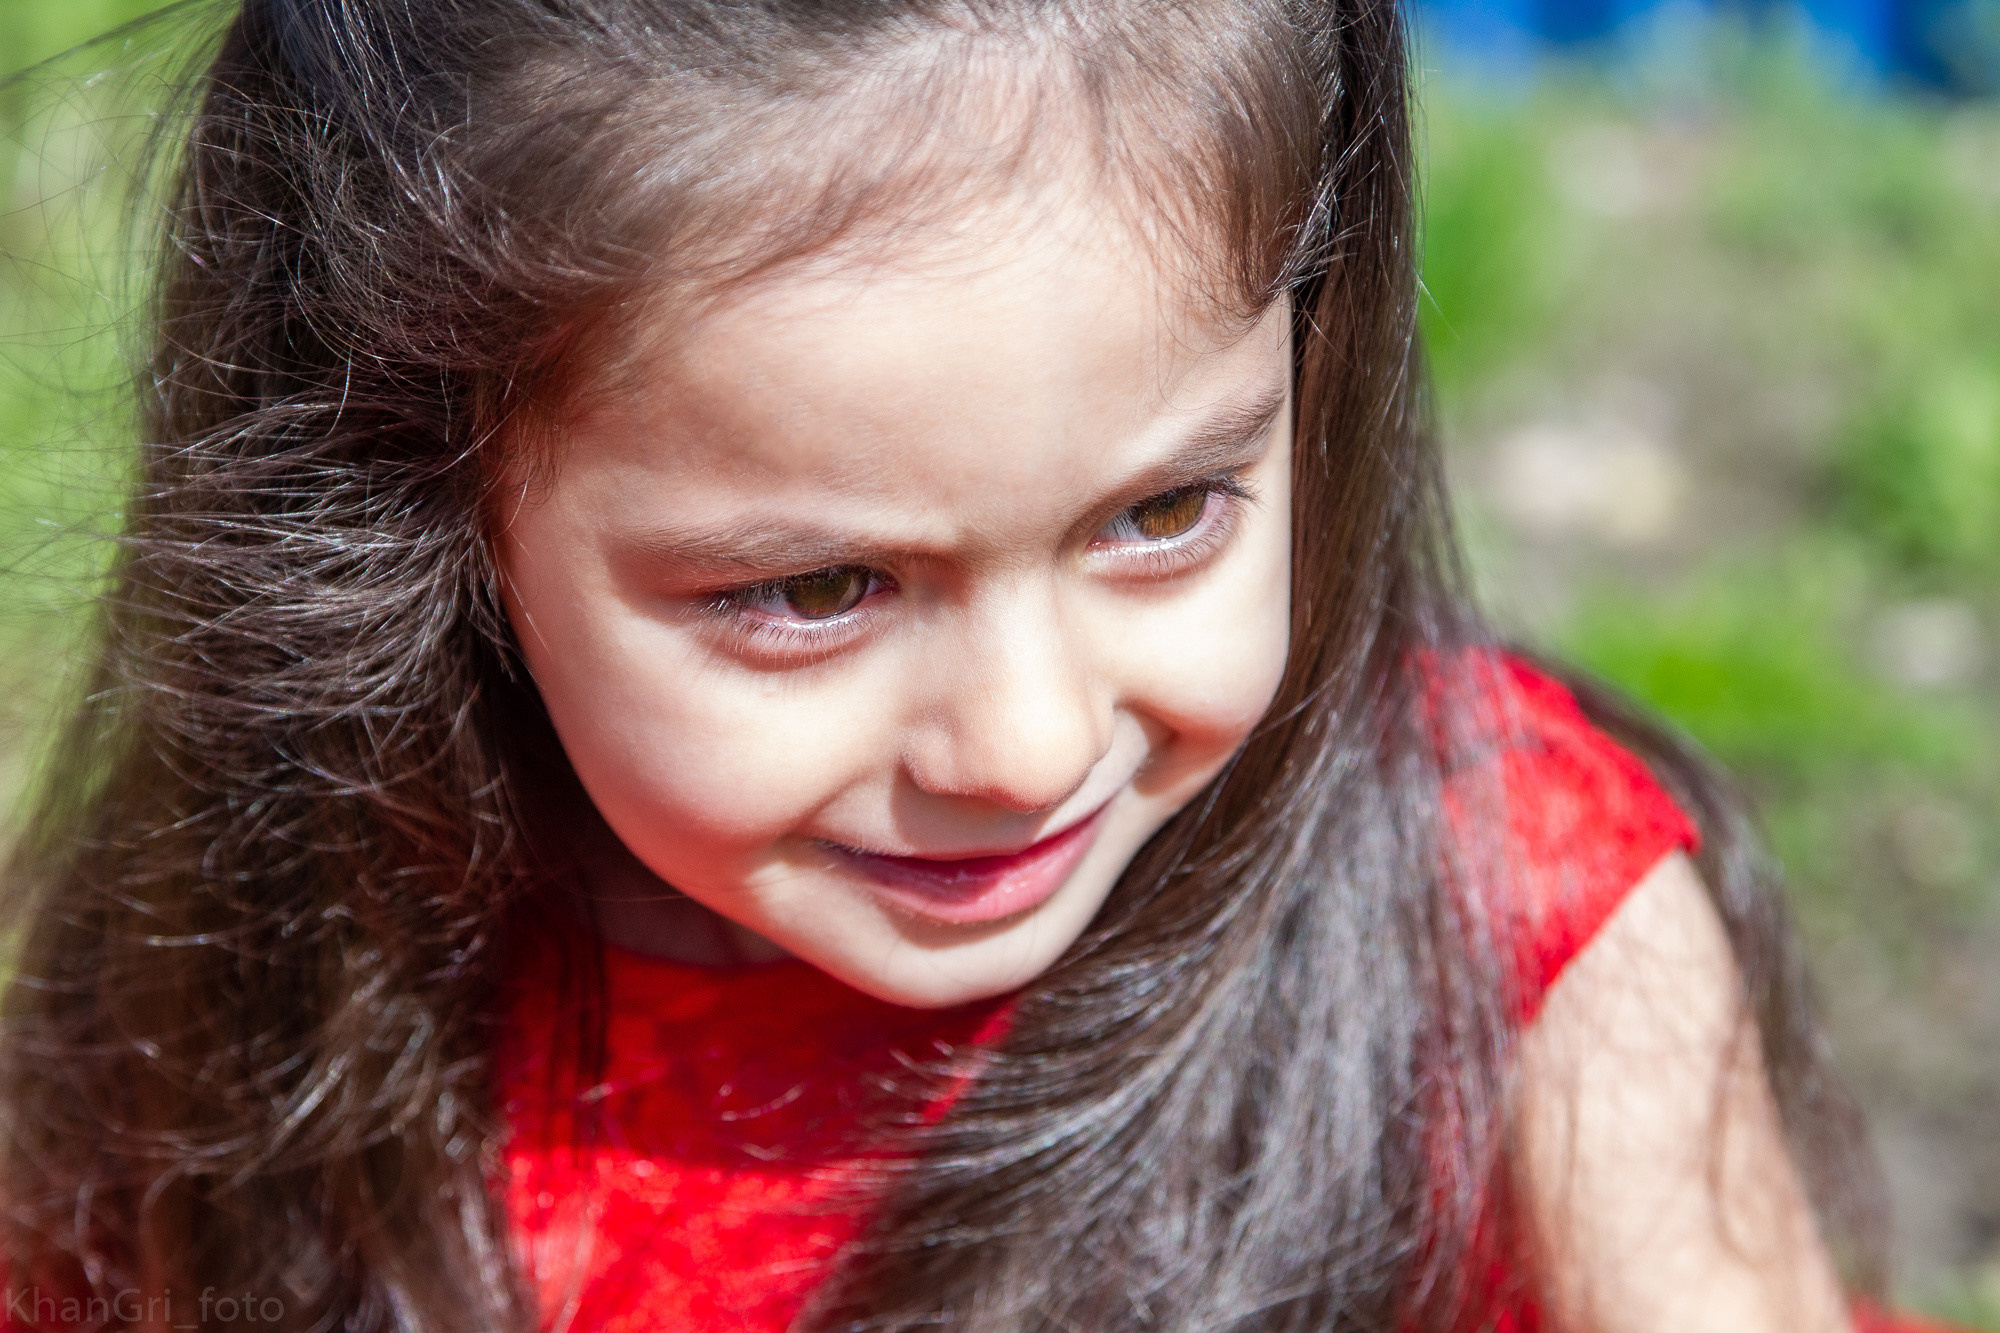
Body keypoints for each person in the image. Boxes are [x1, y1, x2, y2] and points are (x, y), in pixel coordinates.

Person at [0, 1, 1946, 1330]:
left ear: (1312, 357)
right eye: (816, 588)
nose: (1024, 746)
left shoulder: (1503, 917)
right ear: (411, 501)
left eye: (1164, 513)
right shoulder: (260, 1012)